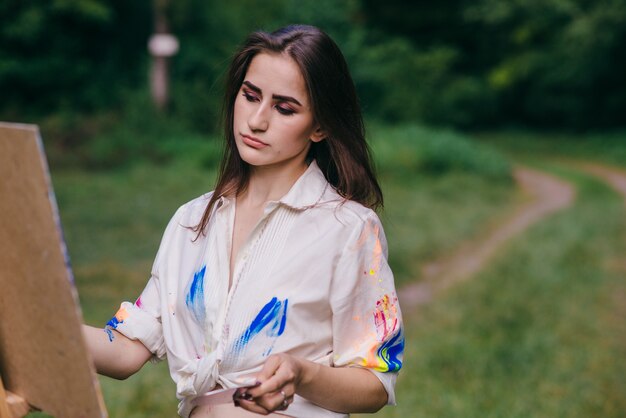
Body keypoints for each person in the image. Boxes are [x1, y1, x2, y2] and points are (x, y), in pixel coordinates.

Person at [83, 24, 404, 418]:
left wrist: (301, 375)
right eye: (250, 96)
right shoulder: (191, 222)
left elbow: (374, 384)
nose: (256, 120)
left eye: (284, 108)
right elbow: (127, 348)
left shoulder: (350, 229)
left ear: (320, 126)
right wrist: (33, 325)